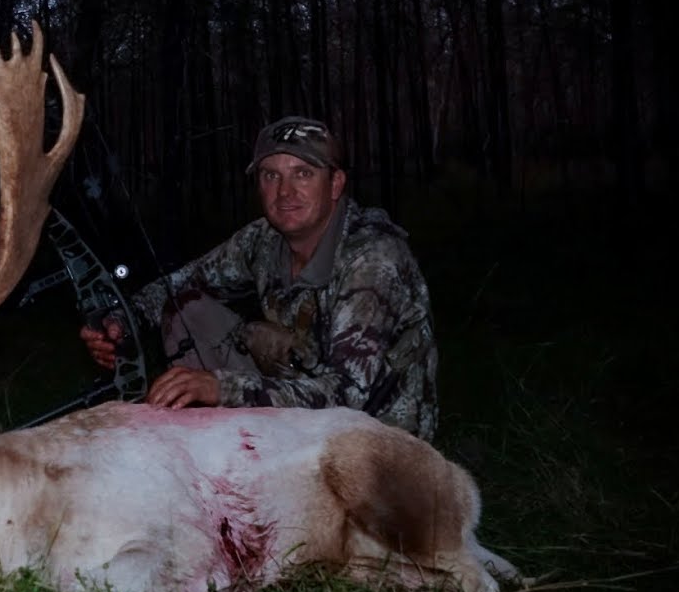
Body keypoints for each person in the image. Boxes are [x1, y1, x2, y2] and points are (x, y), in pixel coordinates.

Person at [79, 115, 439, 440]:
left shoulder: (374, 259)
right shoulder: (263, 240)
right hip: (304, 396)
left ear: (335, 184)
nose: (285, 192)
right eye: (271, 176)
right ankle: (225, 450)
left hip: (376, 441)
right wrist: (119, 322)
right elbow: (180, 284)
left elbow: (347, 396)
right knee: (187, 309)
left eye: (303, 174)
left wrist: (221, 387)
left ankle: (249, 457)